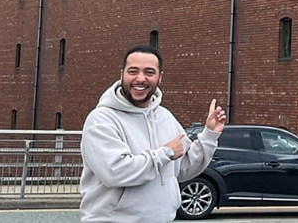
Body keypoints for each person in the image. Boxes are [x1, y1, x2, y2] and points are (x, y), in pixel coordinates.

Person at [80, 45, 226, 223]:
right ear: (122, 74)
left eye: (149, 72)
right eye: (133, 71)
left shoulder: (165, 117)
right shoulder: (101, 119)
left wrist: (209, 135)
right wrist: (165, 153)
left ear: (160, 77)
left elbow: (183, 169)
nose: (140, 79)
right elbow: (115, 172)